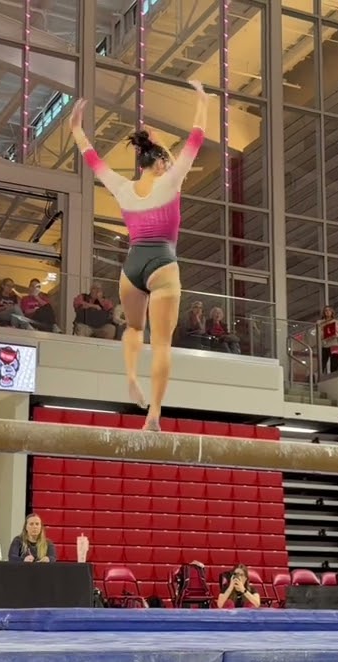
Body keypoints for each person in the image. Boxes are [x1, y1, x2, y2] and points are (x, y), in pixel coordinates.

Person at [69, 81, 209, 431]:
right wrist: (203, 101)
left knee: (133, 327)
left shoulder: (122, 186)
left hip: (131, 265)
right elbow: (196, 138)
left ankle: (131, 376)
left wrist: (75, 128)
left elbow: (92, 159)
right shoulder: (171, 180)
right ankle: (154, 415)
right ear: (160, 163)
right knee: (161, 344)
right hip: (162, 263)